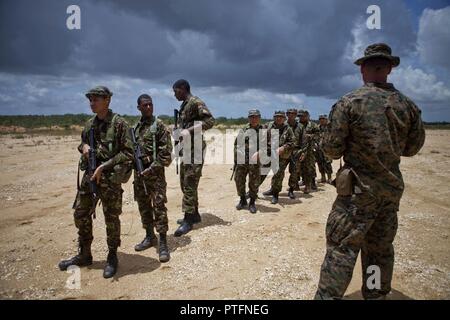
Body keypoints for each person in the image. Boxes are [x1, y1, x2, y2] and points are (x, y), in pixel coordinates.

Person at [315, 43, 425, 300]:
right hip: (388, 193)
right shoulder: (407, 106)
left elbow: (331, 149)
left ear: (363, 69)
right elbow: (412, 148)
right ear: (388, 69)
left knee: (342, 249)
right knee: (379, 249)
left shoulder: (350, 103)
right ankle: (375, 295)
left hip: (357, 195)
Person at [59, 86, 133, 279]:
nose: (92, 103)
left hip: (109, 179)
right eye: (90, 100)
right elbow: (82, 142)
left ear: (107, 100)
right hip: (90, 177)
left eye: (96, 100)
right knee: (81, 213)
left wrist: (104, 166)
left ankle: (112, 256)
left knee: (111, 218)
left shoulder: (119, 124)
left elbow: (128, 153)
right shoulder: (89, 124)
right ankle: (85, 254)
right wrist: (83, 147)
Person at [132, 94, 172, 262]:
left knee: (159, 207)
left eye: (150, 104)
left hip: (155, 176)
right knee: (144, 206)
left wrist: (150, 168)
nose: (148, 107)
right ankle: (150, 236)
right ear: (139, 108)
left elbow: (166, 156)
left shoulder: (159, 126)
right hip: (140, 176)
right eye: (145, 105)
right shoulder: (135, 129)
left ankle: (163, 242)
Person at [172, 79, 215, 237]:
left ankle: (188, 220)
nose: (174, 94)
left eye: (175, 91)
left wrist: (188, 131)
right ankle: (194, 214)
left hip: (195, 149)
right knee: (185, 182)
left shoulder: (195, 101)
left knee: (189, 183)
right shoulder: (185, 104)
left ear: (183, 89)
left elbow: (210, 121)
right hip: (187, 149)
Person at [234, 109, 266, 214]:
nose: (254, 119)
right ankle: (243, 200)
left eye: (256, 117)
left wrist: (259, 152)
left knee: (254, 183)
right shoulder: (243, 130)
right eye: (252, 117)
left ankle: (252, 202)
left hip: (255, 161)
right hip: (242, 161)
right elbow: (236, 144)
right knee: (239, 181)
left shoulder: (264, 131)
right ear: (249, 118)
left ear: (259, 117)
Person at [260, 110, 294, 204]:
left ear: (284, 118)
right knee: (261, 172)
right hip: (268, 154)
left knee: (278, 175)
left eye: (281, 117)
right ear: (274, 117)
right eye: (277, 116)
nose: (279, 118)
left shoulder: (288, 129)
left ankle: (275, 194)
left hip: (281, 156)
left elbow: (292, 142)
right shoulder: (267, 126)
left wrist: (283, 147)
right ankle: (252, 191)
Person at [316, 114, 333, 183]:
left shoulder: (330, 128)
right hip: (319, 149)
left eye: (323, 119)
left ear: (326, 119)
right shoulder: (317, 128)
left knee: (327, 163)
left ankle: (329, 177)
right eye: (320, 119)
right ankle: (323, 177)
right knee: (320, 163)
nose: (321, 120)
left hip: (327, 149)